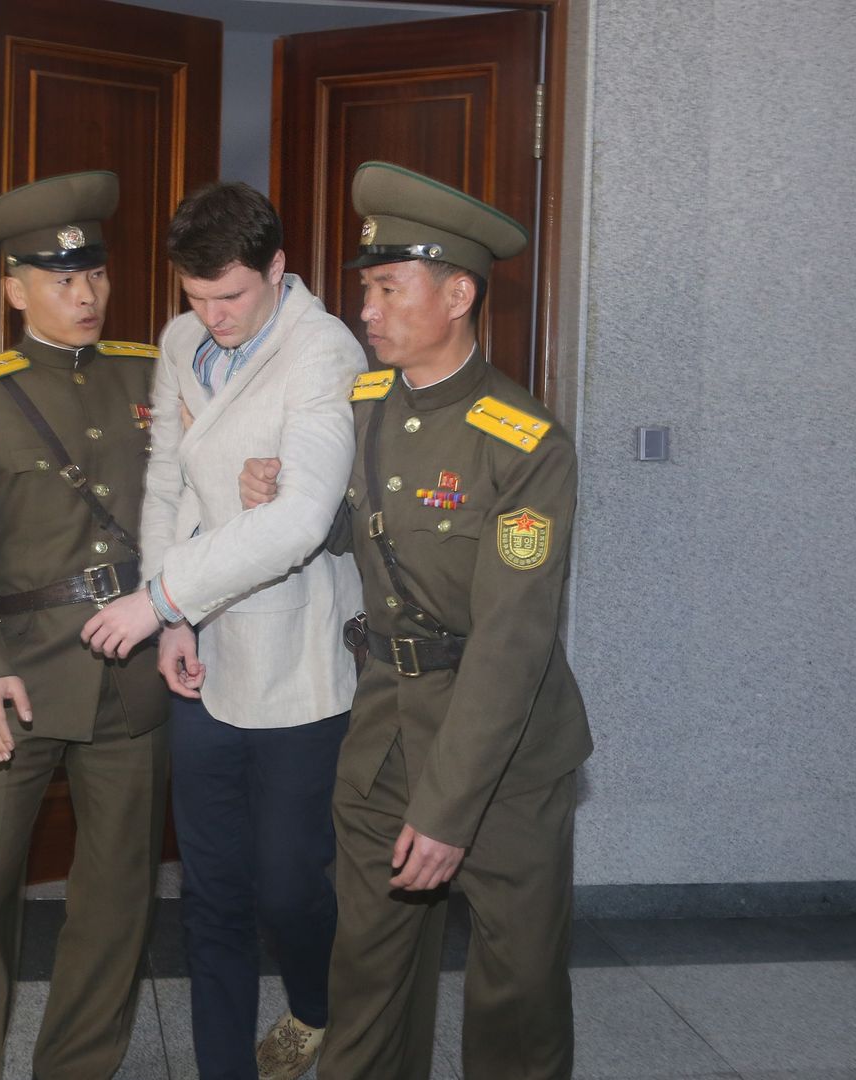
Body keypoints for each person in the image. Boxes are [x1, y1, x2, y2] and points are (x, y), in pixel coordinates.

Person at [239, 162, 592, 1079]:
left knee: (513, 989)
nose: (369, 310)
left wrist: (448, 812)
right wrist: (292, 507)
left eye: (389, 289)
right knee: (370, 970)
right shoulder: (364, 407)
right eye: (367, 289)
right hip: (387, 729)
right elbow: (365, 531)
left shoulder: (525, 442)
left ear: (459, 293)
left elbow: (515, 644)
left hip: (501, 760)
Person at [79, 181, 365, 1080]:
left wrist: (157, 601)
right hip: (200, 647)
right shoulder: (180, 339)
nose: (214, 316)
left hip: (294, 655)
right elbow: (166, 477)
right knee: (209, 890)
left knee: (288, 884)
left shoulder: (323, 351)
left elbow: (299, 522)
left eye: (232, 296)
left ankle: (318, 1007)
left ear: (279, 269)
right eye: (196, 298)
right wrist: (175, 620)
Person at [0, 170, 170, 1080]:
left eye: (94, 274)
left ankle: (78, 1067)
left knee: (116, 902)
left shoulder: (152, 371)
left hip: (131, 676)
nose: (86, 293)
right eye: (61, 280)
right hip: (17, 678)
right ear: (14, 289)